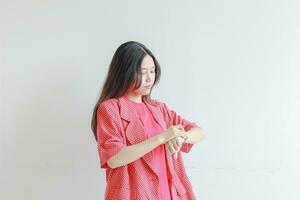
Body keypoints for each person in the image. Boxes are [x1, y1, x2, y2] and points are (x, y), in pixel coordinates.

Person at [91, 41, 205, 200]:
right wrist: (162, 138)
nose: (149, 78)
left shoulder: (159, 109)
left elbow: (199, 132)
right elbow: (114, 158)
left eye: (152, 71)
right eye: (142, 72)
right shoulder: (110, 108)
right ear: (124, 72)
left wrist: (181, 136)